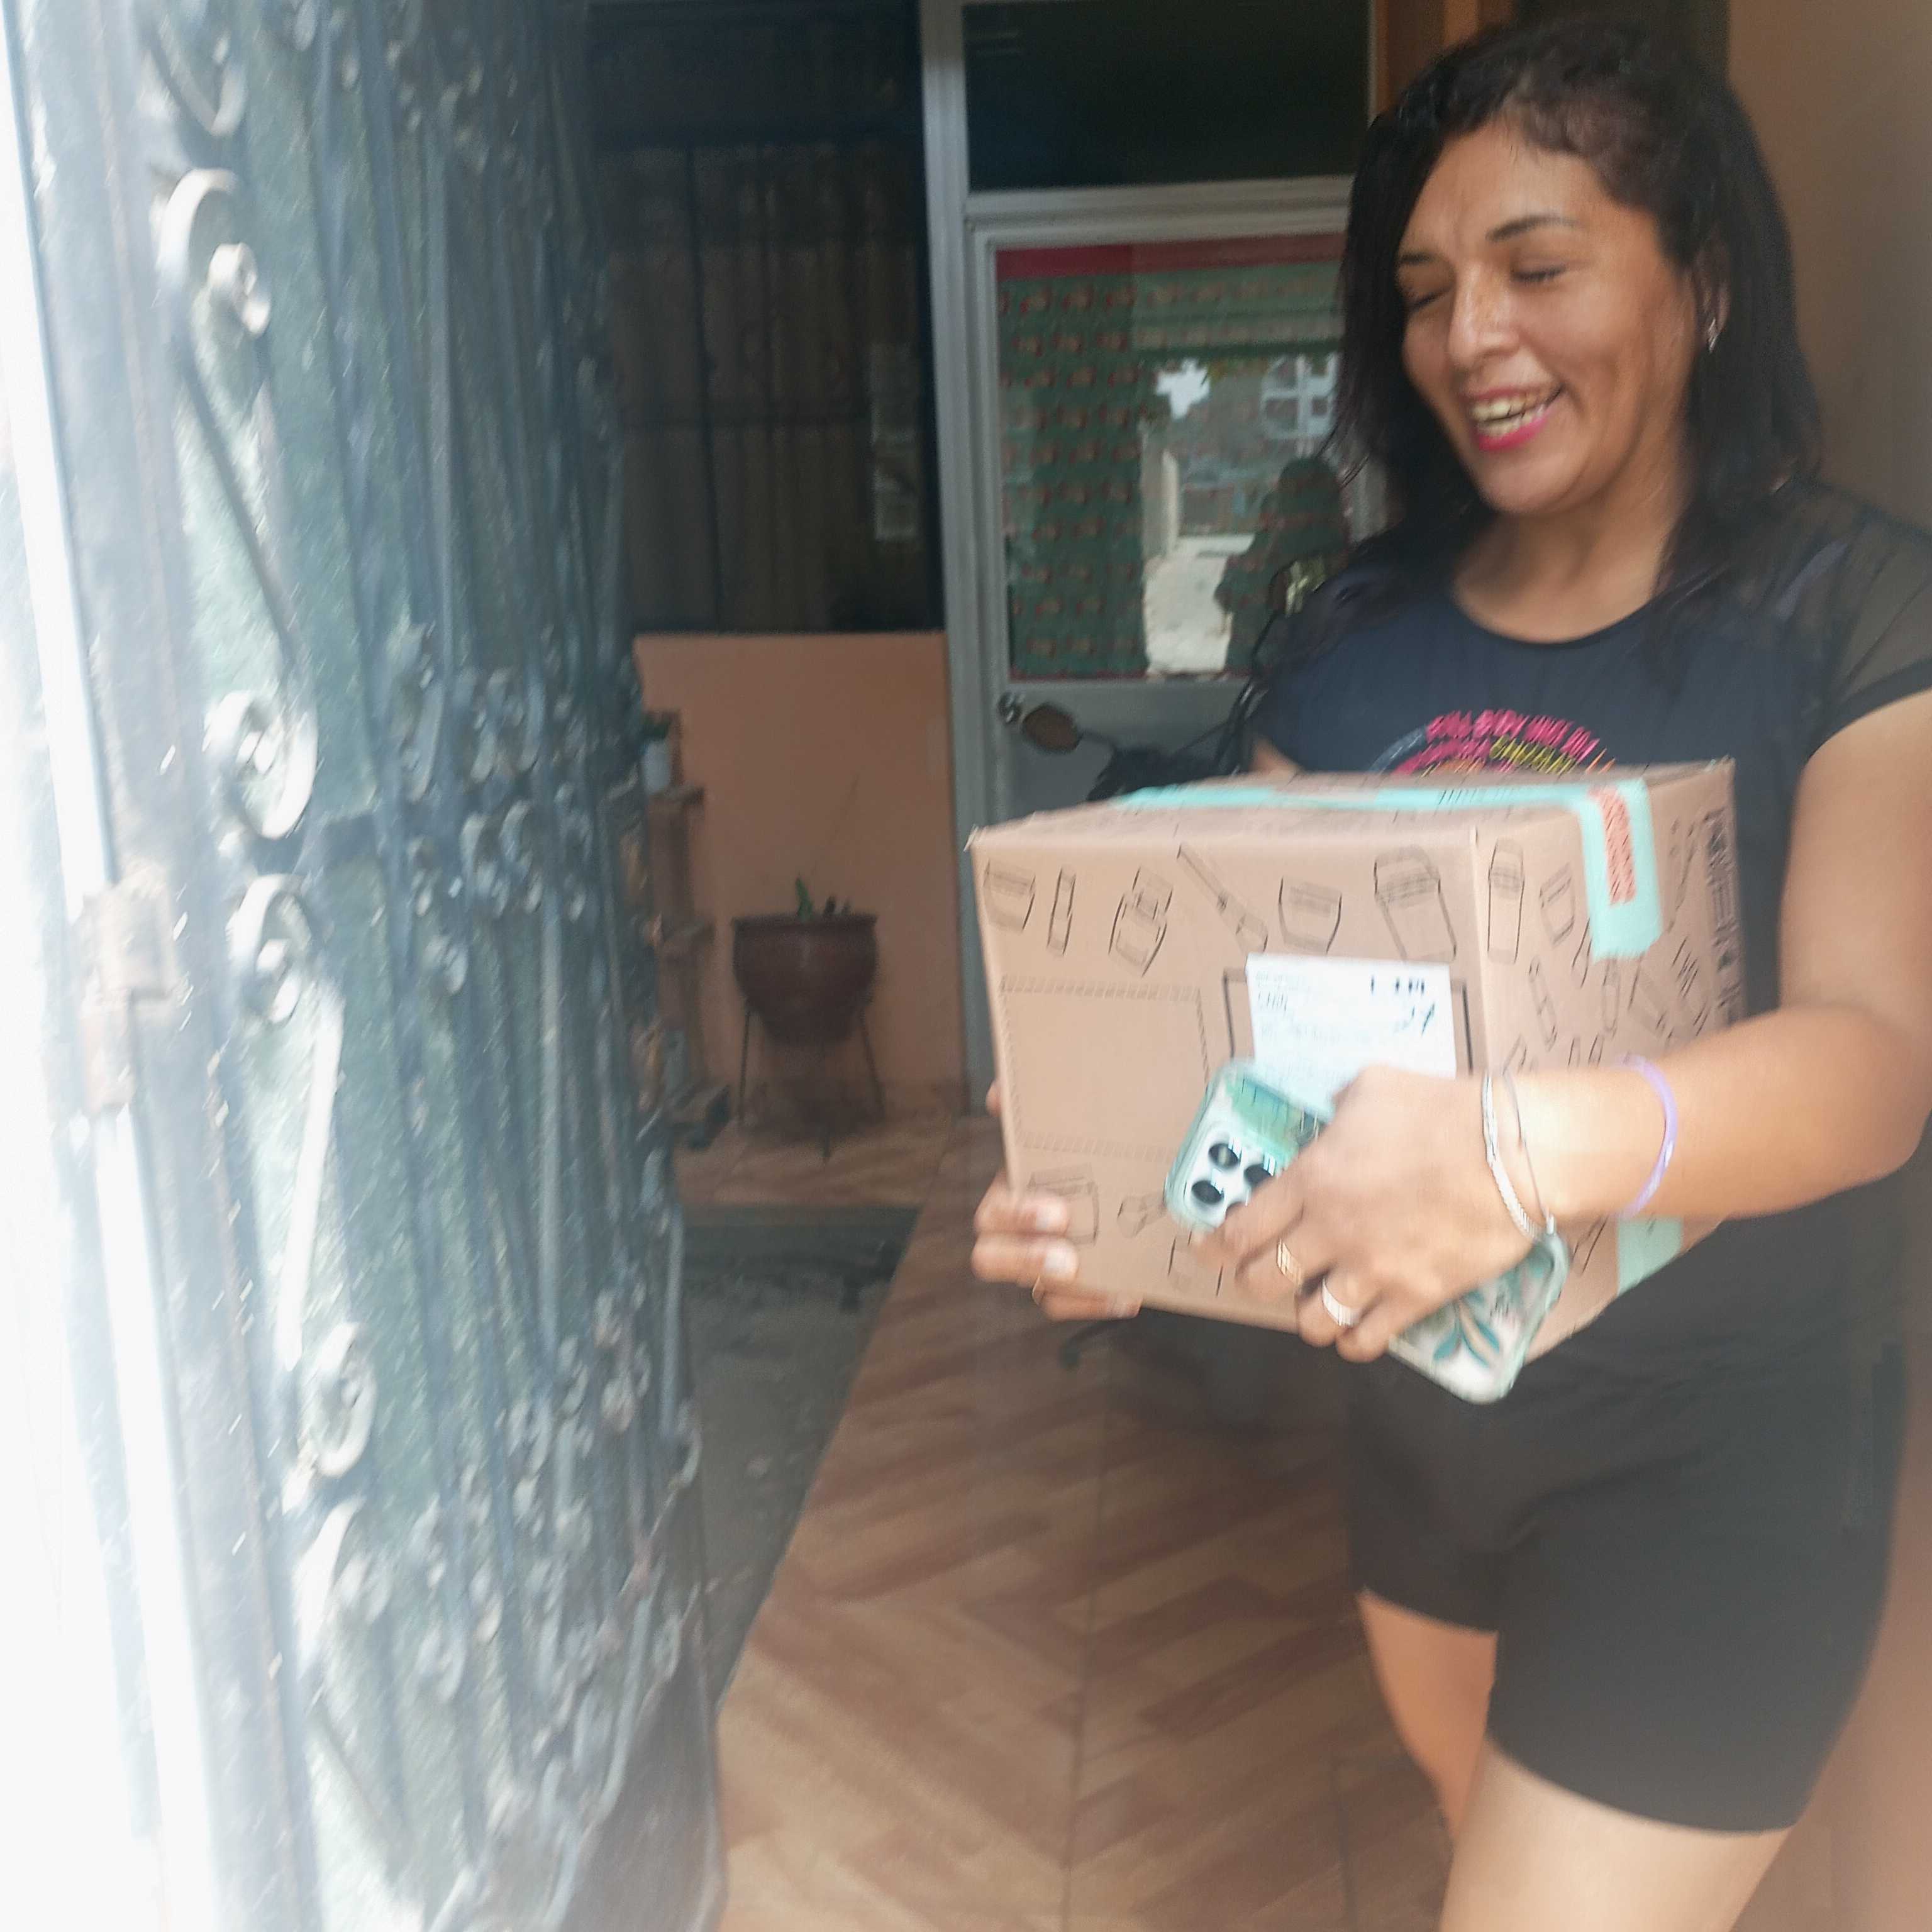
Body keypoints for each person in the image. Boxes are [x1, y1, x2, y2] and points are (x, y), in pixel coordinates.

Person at [969, 23, 1932, 1932]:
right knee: (1477, 1844)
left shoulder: (1850, 612)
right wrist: (1118, 1184)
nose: (1472, 336)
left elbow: (1875, 1060)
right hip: (1426, 1436)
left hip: (1724, 1459)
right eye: (1424, 293)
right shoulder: (1358, 639)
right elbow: (1227, 1014)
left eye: (1536, 265)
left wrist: (1508, 1153)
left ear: (1703, 281)